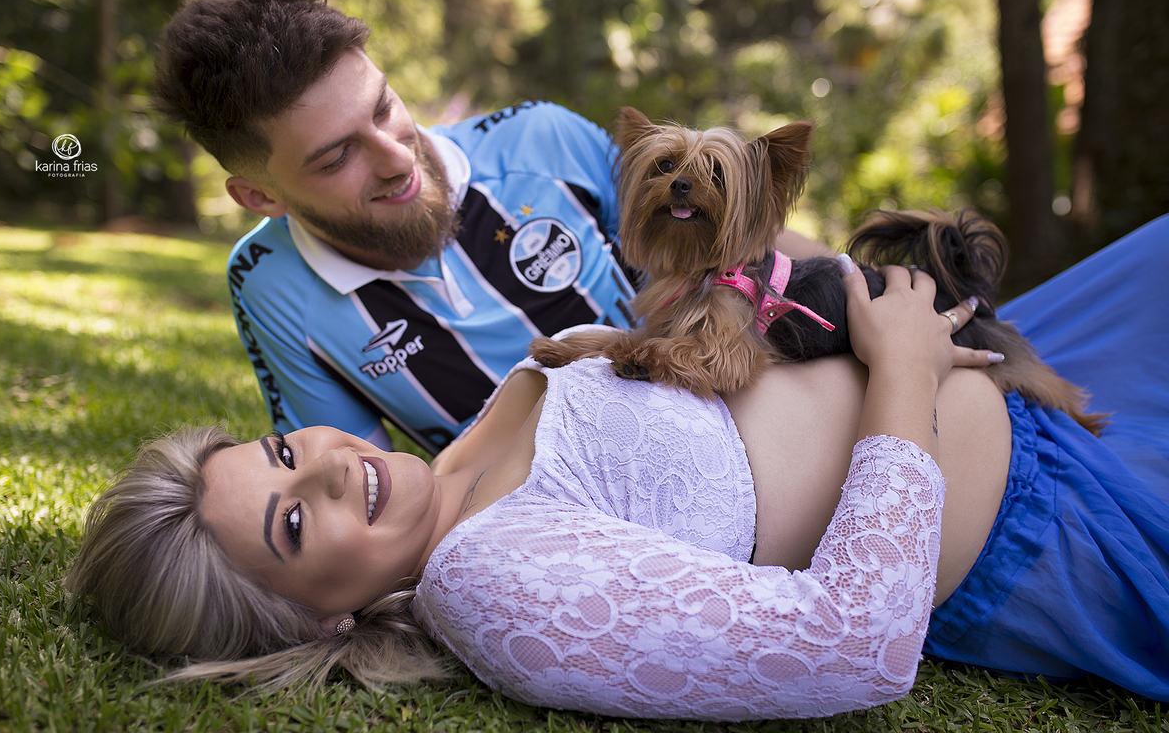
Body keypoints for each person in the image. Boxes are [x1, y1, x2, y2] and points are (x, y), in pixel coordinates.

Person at [68, 215, 1169, 719]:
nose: (326, 473)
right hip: (1058, 527)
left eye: (280, 454)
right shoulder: (493, 584)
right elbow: (853, 647)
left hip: (1041, 358)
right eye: (293, 528)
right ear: (307, 621)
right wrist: (901, 374)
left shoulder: (481, 433)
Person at [153, 0, 823, 454]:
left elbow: (739, 235)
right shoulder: (271, 281)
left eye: (384, 107)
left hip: (752, 430)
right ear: (259, 196)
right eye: (336, 158)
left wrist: (869, 287)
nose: (396, 159)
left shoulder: (541, 138)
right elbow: (346, 472)